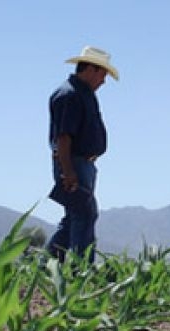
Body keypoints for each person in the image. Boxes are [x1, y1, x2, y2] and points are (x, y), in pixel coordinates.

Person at [46, 46, 119, 262]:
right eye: (102, 74)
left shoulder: (83, 94)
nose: (103, 81)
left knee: (74, 218)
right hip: (74, 163)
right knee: (85, 214)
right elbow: (63, 137)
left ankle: (46, 265)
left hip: (82, 164)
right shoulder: (69, 95)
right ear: (91, 69)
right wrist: (68, 172)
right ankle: (81, 269)